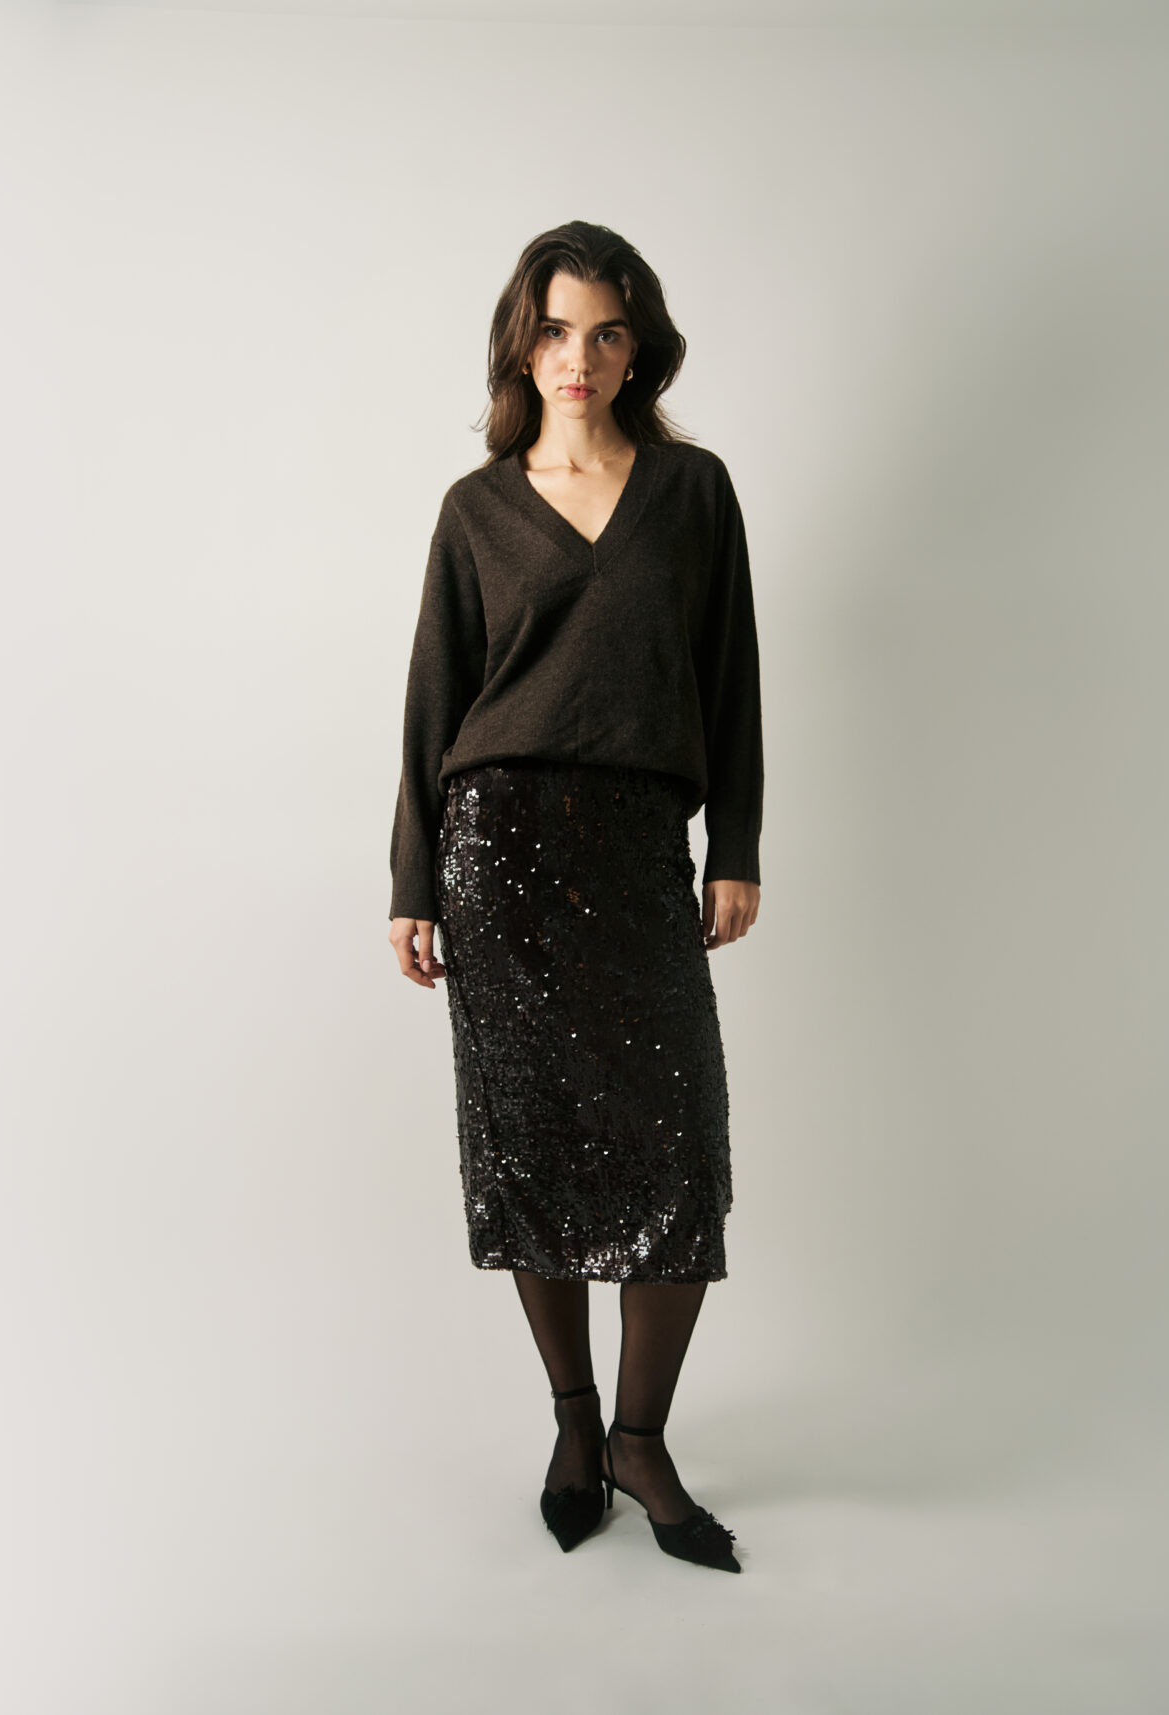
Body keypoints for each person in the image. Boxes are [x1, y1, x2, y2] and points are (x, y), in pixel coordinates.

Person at [387, 221, 763, 1573]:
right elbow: (434, 702)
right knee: (529, 1153)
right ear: (522, 343)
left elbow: (731, 674)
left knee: (678, 1157)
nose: (579, 357)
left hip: (638, 847)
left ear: (638, 346)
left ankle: (641, 1440)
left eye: (606, 332)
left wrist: (735, 845)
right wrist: (413, 877)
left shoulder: (693, 491)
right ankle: (574, 1421)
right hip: (497, 856)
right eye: (555, 330)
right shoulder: (478, 510)